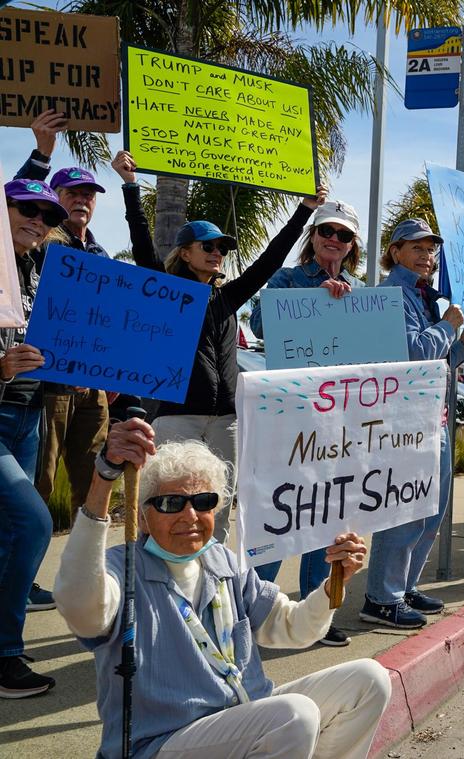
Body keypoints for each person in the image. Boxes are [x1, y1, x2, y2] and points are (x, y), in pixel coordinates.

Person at [54, 417, 390, 758]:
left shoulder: (220, 560)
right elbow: (82, 608)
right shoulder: (121, 568)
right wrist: (104, 480)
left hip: (243, 715)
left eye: (203, 502)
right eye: (171, 504)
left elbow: (292, 628)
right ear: (141, 517)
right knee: (293, 716)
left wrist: (337, 579)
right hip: (161, 741)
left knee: (368, 679)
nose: (190, 516)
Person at [113, 149, 327, 546]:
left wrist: (304, 210)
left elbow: (268, 261)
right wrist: (129, 186)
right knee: (168, 503)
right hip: (177, 418)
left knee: (221, 506)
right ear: (184, 252)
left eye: (221, 248)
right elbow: (143, 247)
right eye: (207, 246)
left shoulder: (228, 299)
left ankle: (214, 579)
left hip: (226, 420)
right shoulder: (167, 294)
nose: (217, 253)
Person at [247, 198, 363, 646]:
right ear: (312, 237)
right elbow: (259, 322)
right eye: (326, 231)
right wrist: (314, 300)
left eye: (343, 235)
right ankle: (256, 611)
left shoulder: (364, 294)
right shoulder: (287, 279)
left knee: (330, 513)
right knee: (284, 509)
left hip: (342, 420)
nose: (333, 240)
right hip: (293, 416)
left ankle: (318, 614)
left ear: (353, 246)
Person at [359, 218, 464, 629]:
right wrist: (449, 325)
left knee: (431, 508)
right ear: (395, 251)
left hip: (434, 416)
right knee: (405, 510)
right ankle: (382, 597)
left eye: (431, 249)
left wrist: (461, 345)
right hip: (403, 421)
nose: (427, 256)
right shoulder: (391, 292)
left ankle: (404, 585)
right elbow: (412, 352)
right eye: (417, 247)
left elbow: (438, 364)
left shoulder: (423, 297)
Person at [15, 111, 115, 561]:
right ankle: (26, 572)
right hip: (48, 383)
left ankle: (85, 567)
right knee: (37, 481)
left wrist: (112, 371)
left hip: (92, 386)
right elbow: (8, 207)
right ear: (53, 198)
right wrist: (41, 153)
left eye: (88, 194)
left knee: (93, 478)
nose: (82, 199)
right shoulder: (39, 241)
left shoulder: (99, 251)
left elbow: (112, 319)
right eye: (72, 192)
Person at [0, 178, 66, 697]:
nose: (39, 221)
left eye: (47, 216)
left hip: (29, 414)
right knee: (33, 520)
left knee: (10, 533)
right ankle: (4, 654)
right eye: (27, 209)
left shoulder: (43, 271)